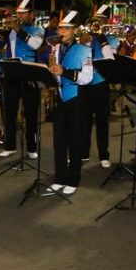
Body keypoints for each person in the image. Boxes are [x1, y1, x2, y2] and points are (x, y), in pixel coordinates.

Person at [47, 10, 93, 194]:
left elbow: (87, 78)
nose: (62, 31)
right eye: (60, 28)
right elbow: (53, 71)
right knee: (59, 140)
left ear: (75, 30)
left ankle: (73, 179)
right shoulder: (56, 48)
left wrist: (63, 72)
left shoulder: (84, 50)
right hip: (60, 97)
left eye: (66, 28)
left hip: (76, 99)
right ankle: (60, 177)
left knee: (75, 140)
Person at [0, 0, 44, 158]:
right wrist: (1, 32)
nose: (20, 17)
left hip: (30, 75)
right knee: (9, 112)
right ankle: (10, 146)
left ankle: (32, 147)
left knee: (30, 114)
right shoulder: (10, 30)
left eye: (23, 14)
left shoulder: (38, 30)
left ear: (31, 15)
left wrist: (19, 30)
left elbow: (36, 45)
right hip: (11, 75)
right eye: (18, 13)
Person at [82, 4, 117, 168]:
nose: (96, 25)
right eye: (95, 21)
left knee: (102, 121)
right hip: (86, 83)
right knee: (85, 120)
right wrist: (83, 44)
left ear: (106, 22)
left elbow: (111, 60)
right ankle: (84, 152)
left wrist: (102, 39)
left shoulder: (112, 40)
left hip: (101, 83)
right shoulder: (86, 39)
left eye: (100, 21)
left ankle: (104, 154)